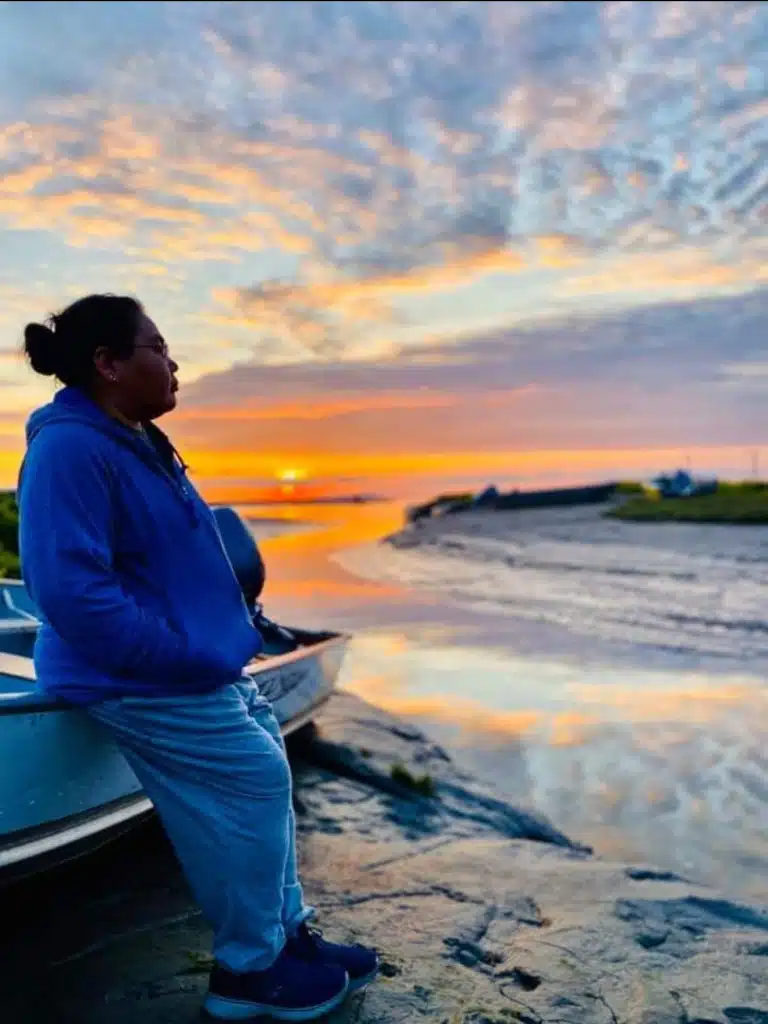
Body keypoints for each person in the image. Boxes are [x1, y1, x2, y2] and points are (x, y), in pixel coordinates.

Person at [17, 294, 377, 1021]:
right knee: (249, 786)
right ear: (108, 363)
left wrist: (219, 643)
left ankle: (285, 939)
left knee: (265, 778)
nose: (174, 361)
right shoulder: (70, 449)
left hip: (195, 664)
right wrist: (181, 656)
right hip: (139, 676)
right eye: (158, 346)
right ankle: (248, 972)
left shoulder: (135, 437)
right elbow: (72, 594)